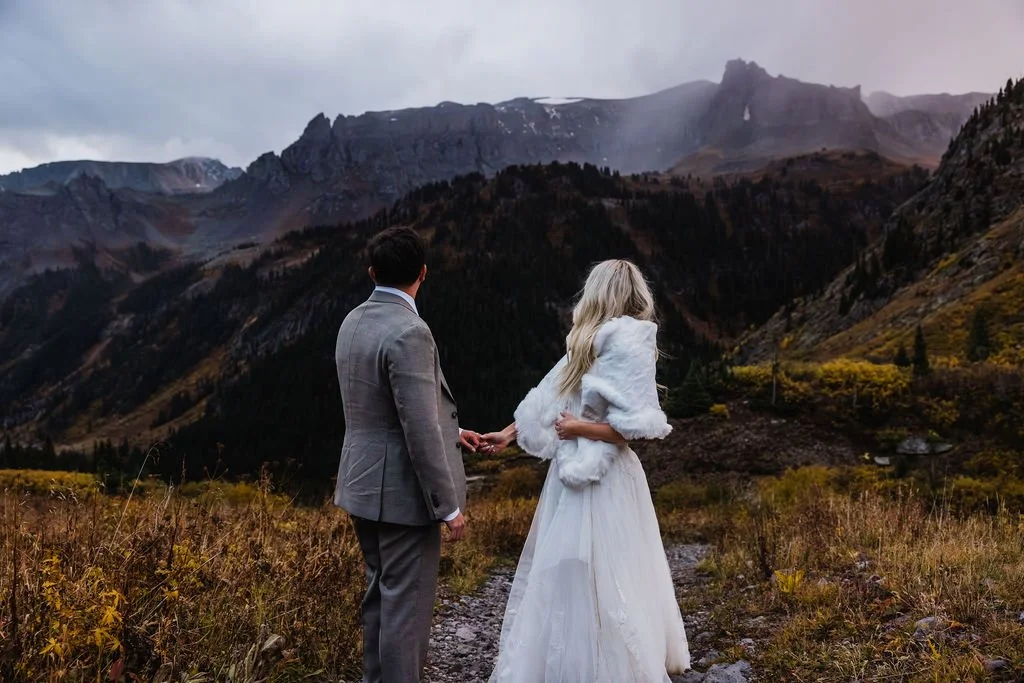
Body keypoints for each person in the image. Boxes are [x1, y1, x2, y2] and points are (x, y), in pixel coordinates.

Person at [482, 259, 690, 682]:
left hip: (606, 476)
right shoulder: (586, 343)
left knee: (606, 570)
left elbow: (626, 432)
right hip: (572, 476)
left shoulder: (630, 344)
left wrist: (577, 427)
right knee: (572, 568)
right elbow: (548, 396)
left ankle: (612, 664)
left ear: (599, 292)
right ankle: (575, 660)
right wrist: (507, 435)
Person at [333, 226, 484, 683]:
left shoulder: (352, 320)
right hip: (402, 496)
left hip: (361, 486)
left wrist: (454, 432)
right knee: (407, 611)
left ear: (372, 271)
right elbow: (416, 429)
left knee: (381, 596)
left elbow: (384, 409)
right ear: (423, 273)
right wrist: (449, 506)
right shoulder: (410, 332)